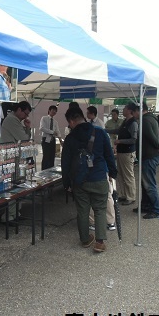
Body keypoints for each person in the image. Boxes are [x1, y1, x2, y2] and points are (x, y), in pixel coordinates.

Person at [61, 107, 117, 253]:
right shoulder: (99, 132)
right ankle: (99, 242)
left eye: (69, 123)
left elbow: (65, 163)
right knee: (100, 209)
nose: (69, 126)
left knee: (82, 210)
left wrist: (66, 183)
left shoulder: (70, 138)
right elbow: (109, 155)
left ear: (72, 120)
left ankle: (85, 239)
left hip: (79, 180)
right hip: (98, 176)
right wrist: (113, 173)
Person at [1, 101, 32, 222]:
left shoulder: (16, 121)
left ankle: (15, 213)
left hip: (17, 158)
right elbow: (24, 139)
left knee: (18, 185)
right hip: (11, 158)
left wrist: (27, 128)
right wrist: (27, 129)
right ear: (19, 110)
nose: (26, 117)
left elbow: (24, 138)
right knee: (13, 187)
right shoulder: (11, 120)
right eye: (25, 113)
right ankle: (9, 216)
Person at [135, 103, 159, 219]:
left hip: (149, 156)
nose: (133, 115)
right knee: (145, 183)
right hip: (149, 155)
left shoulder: (145, 121)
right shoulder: (152, 118)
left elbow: (152, 138)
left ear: (139, 111)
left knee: (149, 184)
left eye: (133, 112)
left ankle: (156, 210)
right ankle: (145, 205)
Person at [114, 102, 139, 206]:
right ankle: (123, 194)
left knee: (128, 175)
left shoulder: (133, 123)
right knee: (120, 174)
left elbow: (133, 140)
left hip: (127, 152)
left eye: (124, 108)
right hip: (121, 152)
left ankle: (131, 196)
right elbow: (117, 131)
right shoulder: (125, 121)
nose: (123, 110)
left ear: (129, 110)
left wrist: (120, 141)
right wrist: (103, 130)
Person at [39, 105, 63, 170]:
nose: (54, 112)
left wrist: (60, 140)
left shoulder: (55, 122)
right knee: (46, 157)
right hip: (46, 139)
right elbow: (41, 128)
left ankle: (50, 172)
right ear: (49, 110)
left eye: (55, 111)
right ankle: (43, 172)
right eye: (53, 110)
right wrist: (52, 132)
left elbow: (58, 131)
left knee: (52, 157)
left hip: (52, 140)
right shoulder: (44, 118)